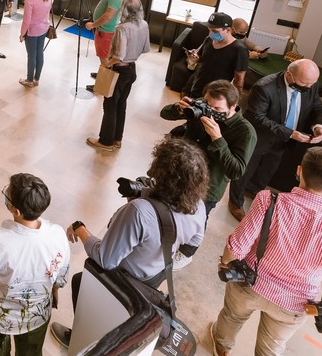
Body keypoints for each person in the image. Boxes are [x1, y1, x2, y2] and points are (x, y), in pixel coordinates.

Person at [210, 147, 322, 356]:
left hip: (249, 283)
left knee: (231, 318)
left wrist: (226, 263)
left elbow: (237, 246)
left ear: (299, 171)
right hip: (295, 303)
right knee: (272, 347)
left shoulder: (268, 199)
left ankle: (221, 348)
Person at [49, 138, 209, 348]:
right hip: (154, 276)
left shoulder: (139, 211)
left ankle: (80, 340)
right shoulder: (198, 207)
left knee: (81, 281)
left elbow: (106, 259)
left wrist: (80, 229)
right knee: (122, 312)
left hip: (124, 277)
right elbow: (194, 242)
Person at [0, 173, 70, 356]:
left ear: (16, 211)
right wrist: (54, 290)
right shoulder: (58, 234)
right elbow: (61, 275)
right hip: (37, 316)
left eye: (7, 194)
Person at [160, 79, 257, 268]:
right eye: (207, 104)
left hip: (207, 187)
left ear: (233, 106)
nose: (210, 111)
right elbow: (164, 113)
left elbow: (236, 171)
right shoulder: (201, 106)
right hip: (180, 173)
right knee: (169, 207)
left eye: (217, 109)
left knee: (197, 219)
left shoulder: (245, 132)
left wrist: (217, 138)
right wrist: (178, 109)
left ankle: (186, 253)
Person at [227, 59, 322, 221]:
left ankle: (253, 190)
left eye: (312, 83)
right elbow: (257, 117)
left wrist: (319, 126)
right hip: (259, 136)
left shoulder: (311, 84)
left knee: (268, 168)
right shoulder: (264, 87)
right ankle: (235, 202)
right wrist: (291, 133)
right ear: (289, 75)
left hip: (283, 139)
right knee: (246, 170)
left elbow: (317, 107)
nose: (309, 87)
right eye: (304, 83)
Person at [87, 0, 151, 151]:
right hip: (131, 69)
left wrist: (107, 64)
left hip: (119, 71)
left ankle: (105, 142)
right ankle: (117, 139)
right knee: (121, 105)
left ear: (124, 10)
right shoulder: (144, 24)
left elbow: (119, 55)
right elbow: (146, 48)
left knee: (110, 106)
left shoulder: (122, 28)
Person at [82, 0, 131, 89]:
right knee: (106, 56)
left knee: (105, 59)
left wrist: (92, 25)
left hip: (105, 32)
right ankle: (102, 73)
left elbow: (108, 16)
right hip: (109, 31)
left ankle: (103, 85)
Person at [183, 12, 249, 98]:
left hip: (216, 96)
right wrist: (194, 58)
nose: (210, 33)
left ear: (228, 30)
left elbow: (239, 80)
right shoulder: (208, 39)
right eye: (209, 30)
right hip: (197, 89)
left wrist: (234, 101)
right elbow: (201, 58)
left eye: (215, 31)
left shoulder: (239, 49)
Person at [18, 0, 52, 88]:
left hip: (32, 31)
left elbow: (26, 20)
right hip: (44, 28)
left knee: (31, 55)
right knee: (39, 53)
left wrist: (22, 34)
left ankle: (29, 80)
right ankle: (36, 79)